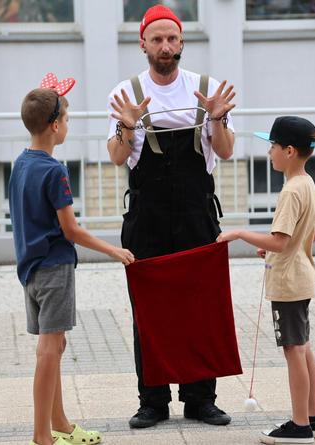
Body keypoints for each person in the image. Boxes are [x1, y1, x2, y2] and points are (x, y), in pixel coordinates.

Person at [106, 4, 236, 429]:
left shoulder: (206, 87)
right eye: (157, 39)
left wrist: (216, 117)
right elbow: (116, 158)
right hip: (148, 216)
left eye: (172, 39)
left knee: (201, 307)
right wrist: (127, 126)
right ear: (142, 43)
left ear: (182, 42)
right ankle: (153, 401)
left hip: (197, 213)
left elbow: (227, 149)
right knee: (149, 310)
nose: (166, 46)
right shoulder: (125, 92)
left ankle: (201, 399)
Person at [10, 78, 135, 445]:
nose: (68, 125)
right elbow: (71, 230)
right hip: (54, 268)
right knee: (49, 351)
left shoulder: (21, 163)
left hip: (30, 269)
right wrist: (114, 251)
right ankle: (41, 436)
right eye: (66, 118)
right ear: (53, 125)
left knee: (55, 345)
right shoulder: (55, 171)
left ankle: (60, 422)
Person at [217, 116, 315, 444]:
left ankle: (299, 425)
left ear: (290, 151)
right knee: (304, 347)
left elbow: (280, 240)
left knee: (293, 349)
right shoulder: (307, 183)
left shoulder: (291, 191)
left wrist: (239, 233)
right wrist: (286, 248)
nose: (270, 152)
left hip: (289, 284)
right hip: (302, 277)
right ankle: (313, 417)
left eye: (273, 146)